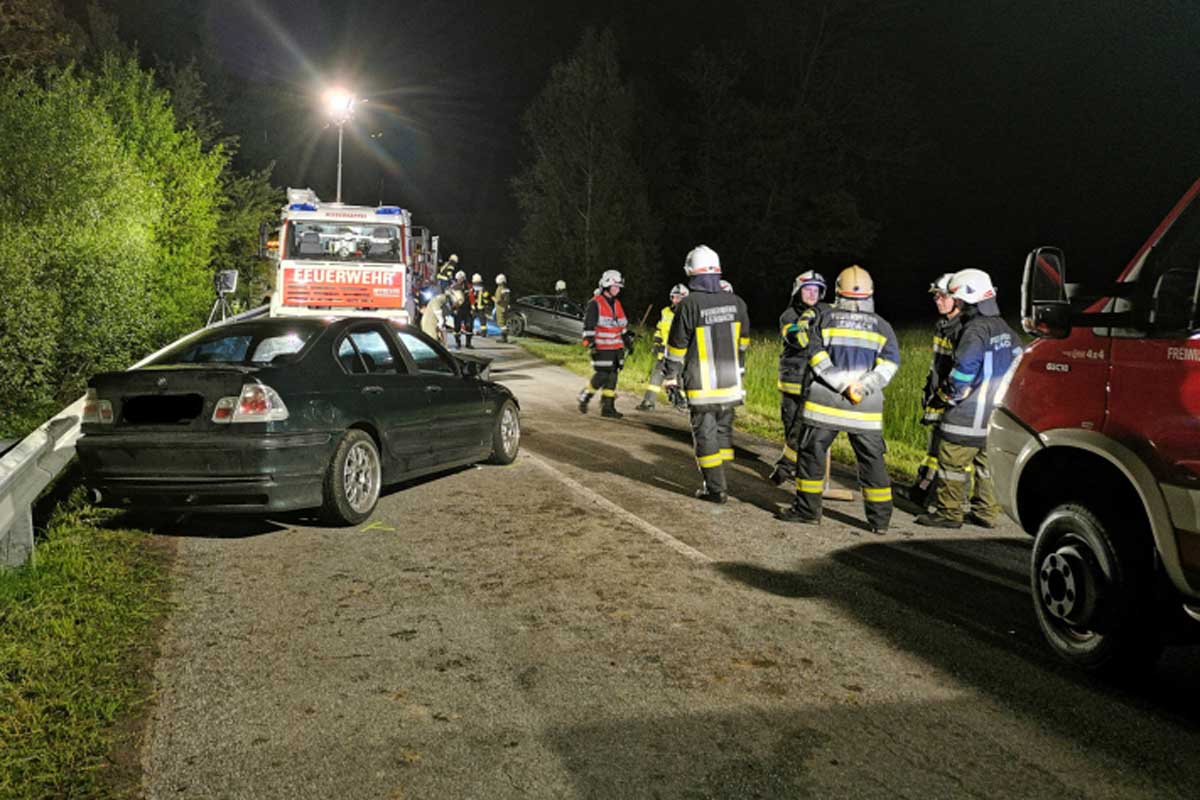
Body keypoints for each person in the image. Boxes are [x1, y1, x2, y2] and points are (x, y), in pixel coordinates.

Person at [776, 265, 900, 533]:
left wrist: (842, 385)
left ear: (837, 292)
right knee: (872, 462)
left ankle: (807, 511)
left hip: (825, 403)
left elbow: (817, 358)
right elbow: (889, 366)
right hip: (865, 407)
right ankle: (880, 522)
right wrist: (862, 387)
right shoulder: (883, 326)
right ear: (870, 293)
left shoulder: (826, 319)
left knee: (812, 455)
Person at [916, 268, 1022, 529]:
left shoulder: (973, 331)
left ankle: (949, 513)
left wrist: (941, 398)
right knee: (986, 468)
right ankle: (986, 513)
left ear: (968, 300)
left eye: (959, 300)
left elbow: (962, 376)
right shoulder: (1004, 328)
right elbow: (1020, 364)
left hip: (965, 417)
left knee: (951, 464)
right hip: (995, 417)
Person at [663, 245, 751, 504]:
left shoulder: (688, 305)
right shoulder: (737, 302)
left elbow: (677, 348)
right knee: (723, 432)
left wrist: (670, 378)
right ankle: (725, 477)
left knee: (706, 435)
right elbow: (743, 344)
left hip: (702, 385)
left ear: (691, 272)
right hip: (731, 383)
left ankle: (715, 488)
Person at [769, 270, 830, 486]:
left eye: (816, 290)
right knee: (790, 426)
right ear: (798, 291)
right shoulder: (788, 316)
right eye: (808, 290)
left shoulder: (826, 313)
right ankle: (793, 466)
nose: (812, 295)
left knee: (803, 428)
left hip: (815, 382)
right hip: (792, 380)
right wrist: (809, 320)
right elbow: (799, 340)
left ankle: (788, 467)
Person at [908, 273, 963, 507]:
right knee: (934, 445)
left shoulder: (962, 329)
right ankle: (924, 489)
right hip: (937, 392)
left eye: (942, 296)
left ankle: (943, 498)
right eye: (936, 297)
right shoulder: (942, 326)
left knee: (949, 451)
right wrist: (928, 388)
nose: (937, 300)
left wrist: (942, 396)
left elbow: (960, 370)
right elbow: (937, 364)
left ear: (957, 299)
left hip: (952, 398)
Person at [578, 270, 631, 418]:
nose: (618, 289)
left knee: (613, 377)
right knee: (602, 375)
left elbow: (622, 325)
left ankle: (608, 407)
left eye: (619, 287)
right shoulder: (595, 303)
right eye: (616, 286)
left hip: (616, 348)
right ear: (607, 285)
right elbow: (588, 326)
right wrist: (591, 344)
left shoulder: (617, 304)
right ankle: (585, 396)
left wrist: (627, 340)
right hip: (601, 347)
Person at [636, 284, 689, 411]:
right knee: (656, 377)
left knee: (679, 380)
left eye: (680, 297)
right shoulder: (665, 312)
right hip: (663, 352)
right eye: (675, 297)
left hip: (679, 354)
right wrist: (656, 344)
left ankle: (683, 404)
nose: (677, 300)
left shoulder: (689, 314)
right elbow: (660, 330)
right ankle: (648, 403)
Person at [451, 270, 476, 349]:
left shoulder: (469, 287)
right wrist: (453, 308)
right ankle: (458, 343)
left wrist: (473, 307)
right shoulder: (454, 287)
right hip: (458, 309)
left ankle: (468, 343)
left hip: (467, 309)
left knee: (469, 327)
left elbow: (472, 297)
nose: (460, 280)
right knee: (457, 328)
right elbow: (451, 299)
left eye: (461, 278)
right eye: (459, 278)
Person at [471, 273, 491, 338]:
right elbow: (486, 296)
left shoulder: (472, 288)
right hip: (481, 308)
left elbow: (470, 297)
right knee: (483, 321)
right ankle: (483, 333)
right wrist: (486, 303)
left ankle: (470, 331)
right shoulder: (483, 288)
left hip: (473, 307)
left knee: (471, 320)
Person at [493, 273, 512, 342]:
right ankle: (505, 337)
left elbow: (498, 300)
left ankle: (504, 338)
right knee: (504, 322)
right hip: (505, 307)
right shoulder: (506, 289)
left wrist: (493, 298)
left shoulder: (499, 289)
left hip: (500, 308)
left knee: (501, 323)